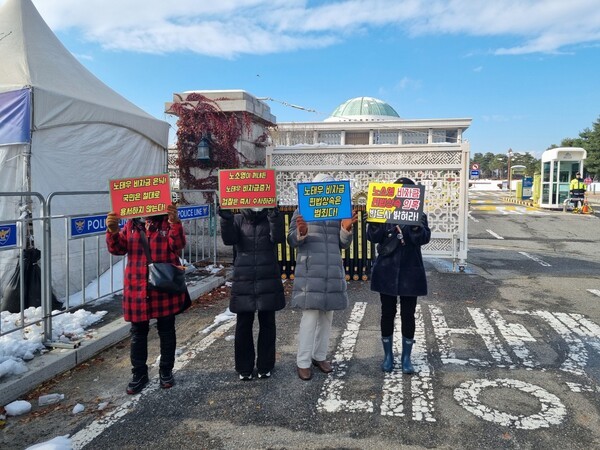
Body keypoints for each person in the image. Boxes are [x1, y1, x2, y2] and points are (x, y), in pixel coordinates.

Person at [105, 204, 189, 394]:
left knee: (166, 329)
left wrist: (175, 223)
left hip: (162, 287)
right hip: (137, 287)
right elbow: (118, 249)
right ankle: (139, 374)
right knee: (138, 332)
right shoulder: (131, 224)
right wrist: (112, 231)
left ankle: (166, 371)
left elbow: (178, 246)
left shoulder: (166, 222)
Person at [287, 173, 358, 381]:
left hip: (331, 271)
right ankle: (303, 361)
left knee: (327, 317)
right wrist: (301, 231)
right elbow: (292, 240)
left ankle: (320, 356)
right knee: (309, 317)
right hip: (310, 270)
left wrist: (346, 229)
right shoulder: (302, 210)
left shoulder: (340, 211)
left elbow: (344, 244)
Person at [366, 178, 431, 374]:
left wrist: (417, 227)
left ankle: (406, 357)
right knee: (387, 313)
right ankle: (388, 356)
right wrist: (374, 223)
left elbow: (423, 239)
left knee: (408, 315)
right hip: (387, 271)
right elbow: (373, 237)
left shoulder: (420, 215)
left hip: (410, 272)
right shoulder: (384, 212)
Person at [218, 206, 286, 381]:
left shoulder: (270, 216)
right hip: (244, 277)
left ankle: (265, 365)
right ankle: (244, 367)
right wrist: (225, 219)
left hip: (267, 276)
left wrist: (274, 216)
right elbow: (229, 239)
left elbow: (277, 238)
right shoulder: (239, 219)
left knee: (268, 323)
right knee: (243, 324)